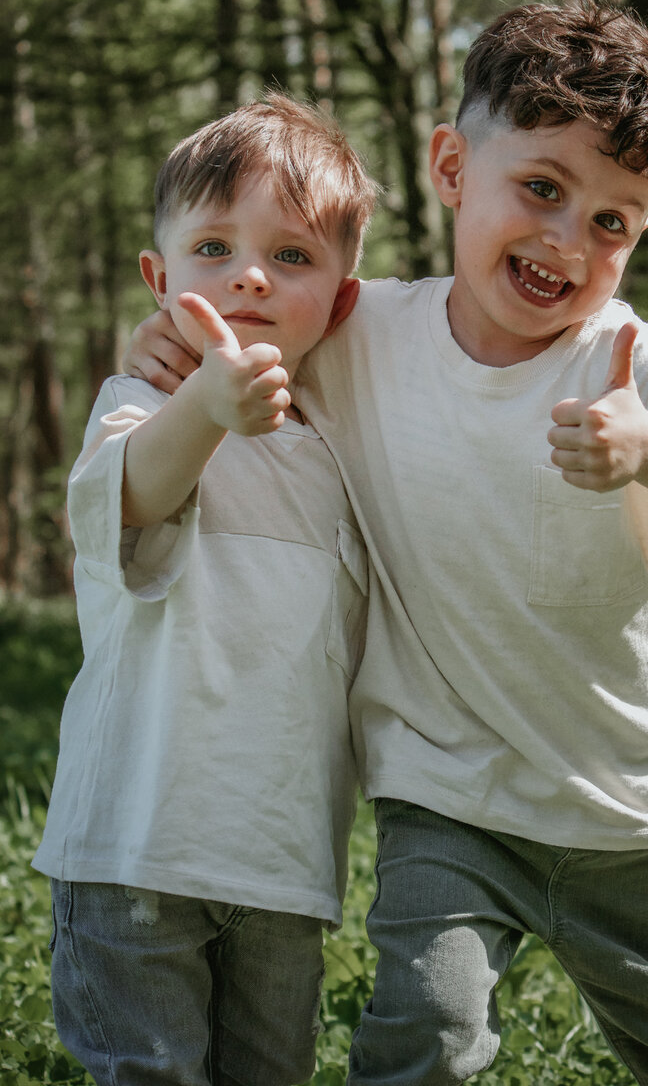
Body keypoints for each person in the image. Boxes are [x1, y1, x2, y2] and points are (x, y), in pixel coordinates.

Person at [123, 0, 648, 1085]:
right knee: (419, 1040)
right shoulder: (365, 333)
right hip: (445, 799)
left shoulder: (632, 366)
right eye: (539, 187)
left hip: (623, 809)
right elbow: (258, 317)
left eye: (612, 221)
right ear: (450, 167)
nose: (565, 241)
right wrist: (169, 338)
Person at [33, 92, 378, 1086]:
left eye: (293, 256)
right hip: (135, 849)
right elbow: (128, 498)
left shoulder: (342, 445)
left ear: (341, 300)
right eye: (213, 248)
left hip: (280, 863)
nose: (250, 277)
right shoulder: (140, 405)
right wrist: (203, 405)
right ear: (159, 277)